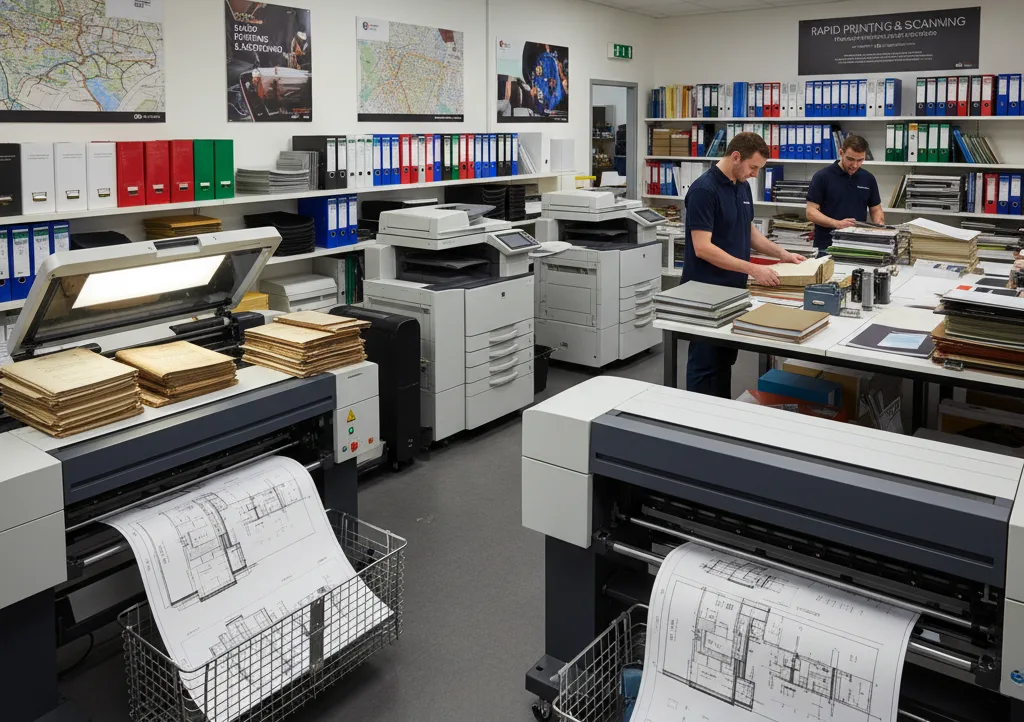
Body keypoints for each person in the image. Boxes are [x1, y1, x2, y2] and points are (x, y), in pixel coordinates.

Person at [682, 132, 806, 398]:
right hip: (705, 293)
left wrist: (783, 254)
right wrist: (753, 269)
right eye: (753, 167)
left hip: (732, 291)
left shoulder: (741, 184)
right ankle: (696, 425)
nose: (755, 174)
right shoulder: (704, 190)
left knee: (724, 361)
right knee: (705, 365)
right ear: (735, 157)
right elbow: (702, 248)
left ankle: (720, 422)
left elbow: (748, 231)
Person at [805, 135, 885, 251]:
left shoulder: (868, 178)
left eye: (860, 160)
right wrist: (837, 224)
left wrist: (879, 226)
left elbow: (876, 209)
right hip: (827, 245)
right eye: (850, 159)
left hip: (858, 245)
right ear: (841, 153)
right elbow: (811, 212)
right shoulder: (822, 176)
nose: (855, 165)